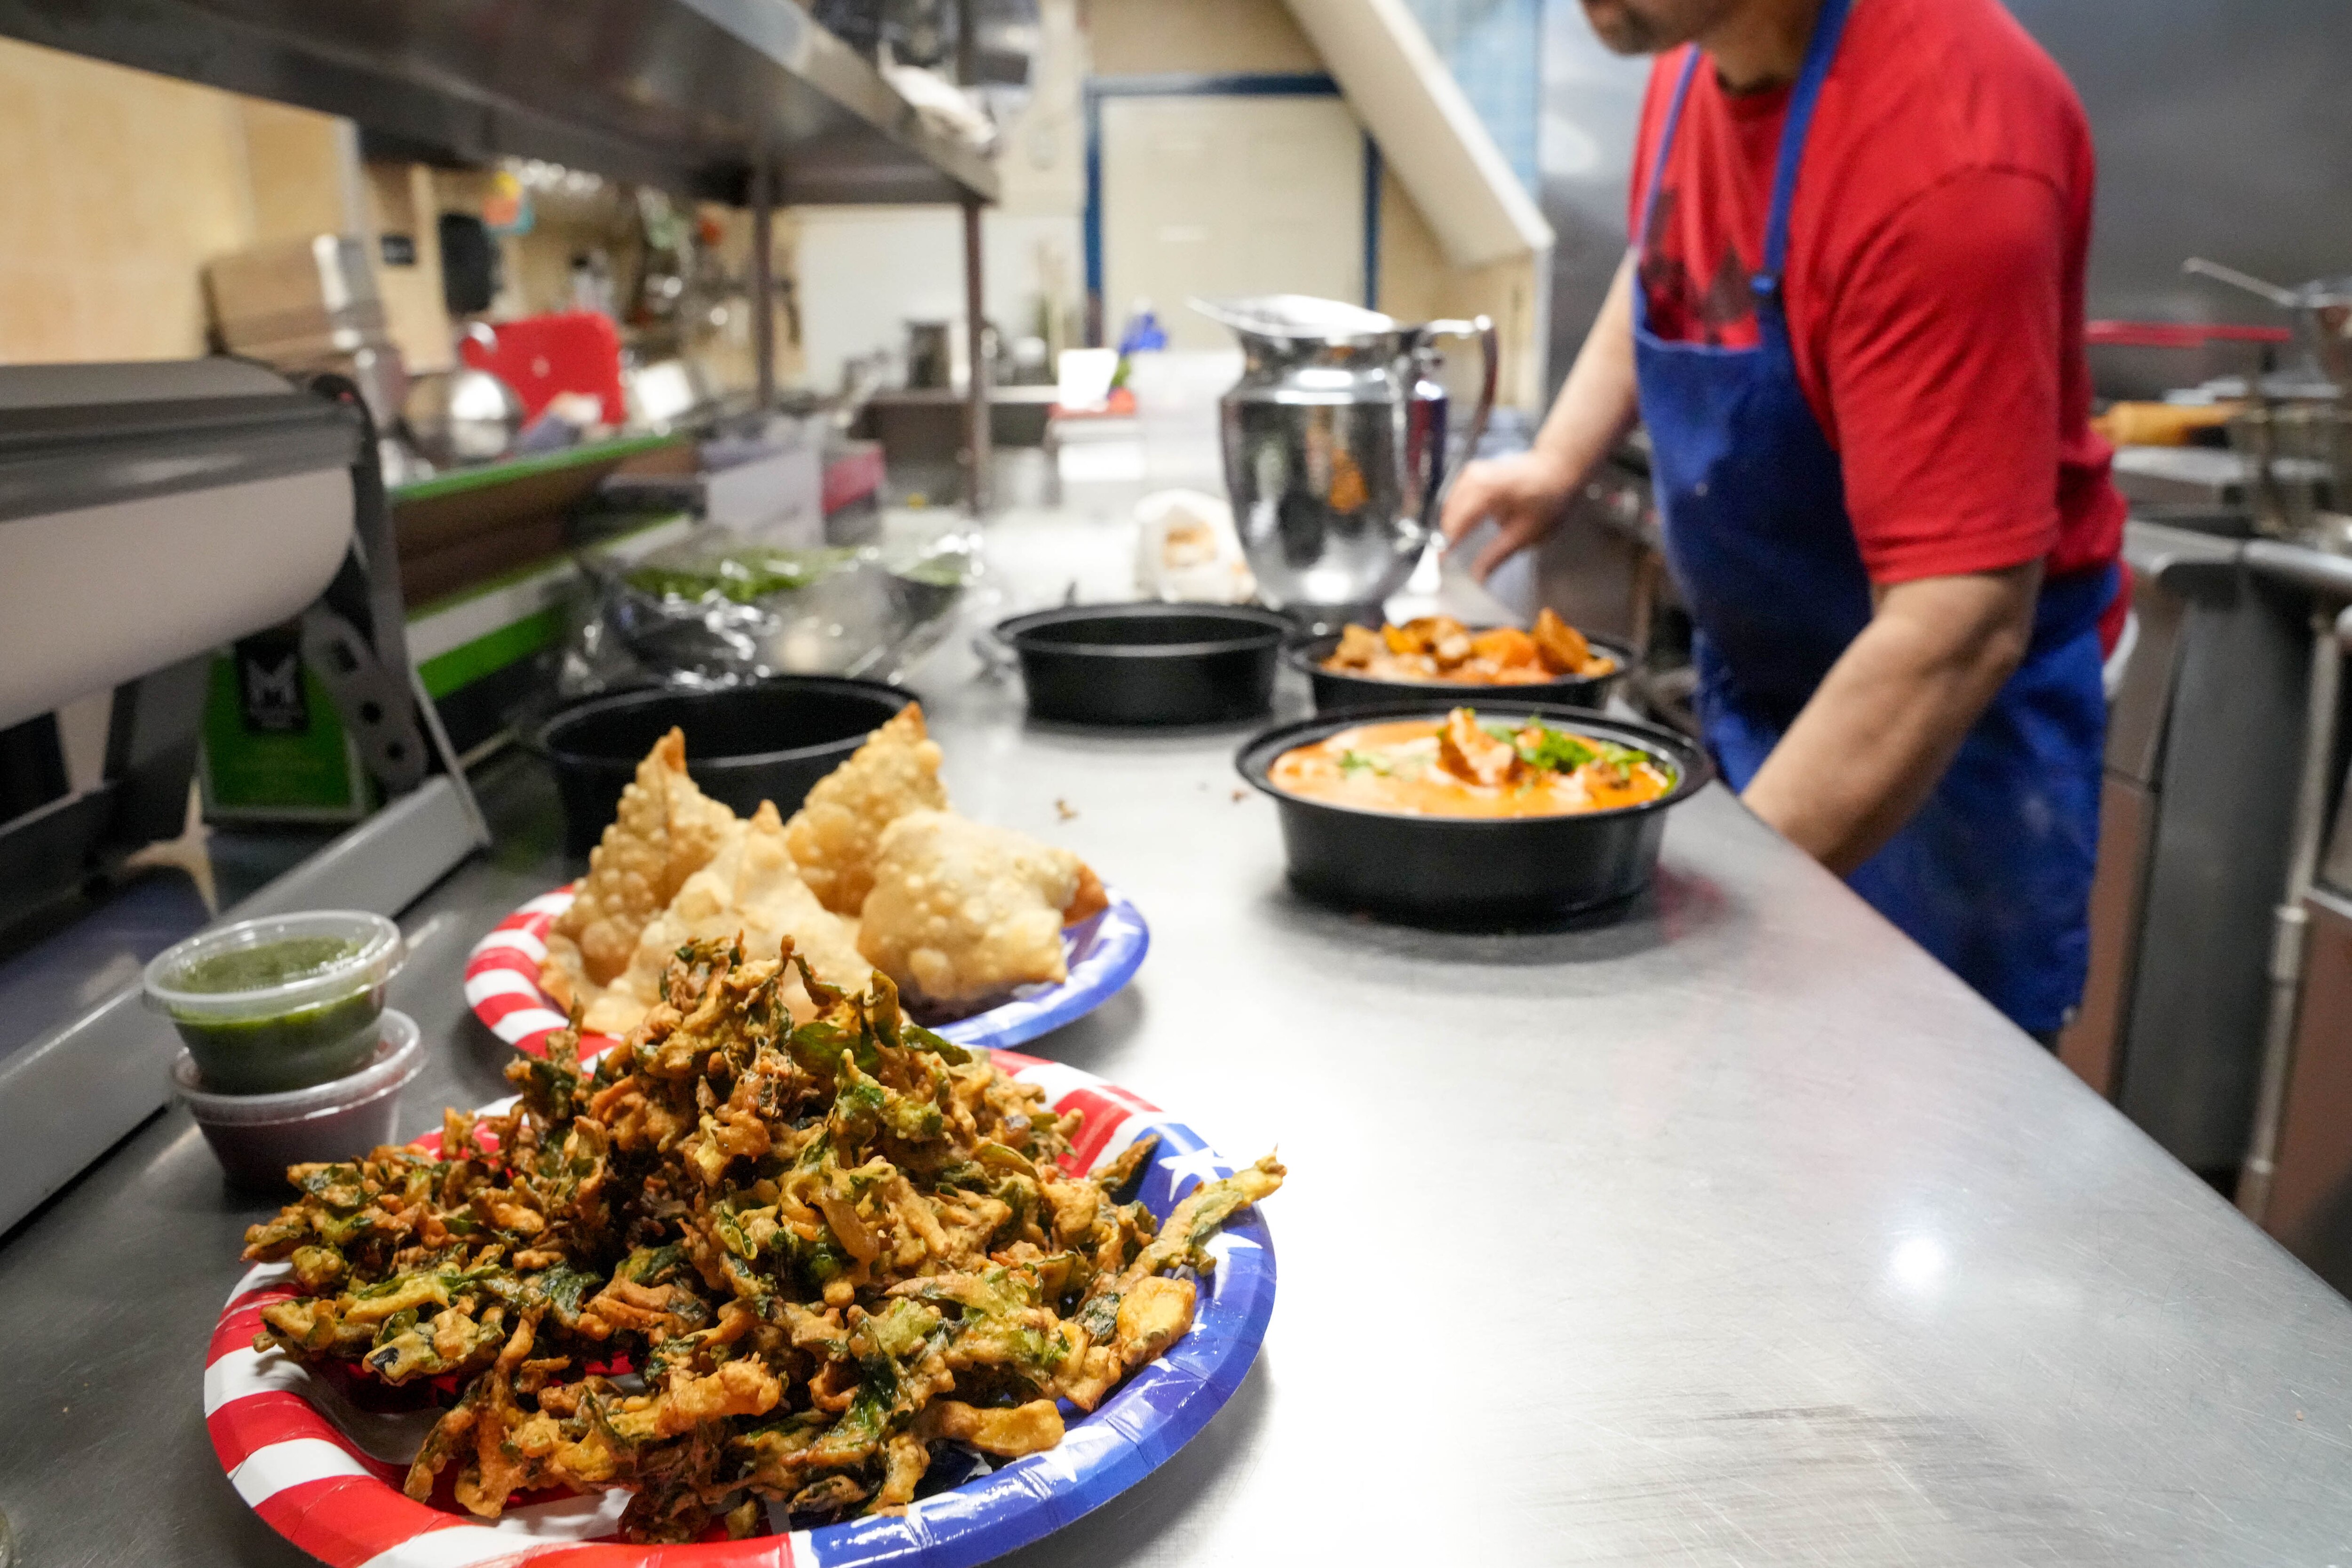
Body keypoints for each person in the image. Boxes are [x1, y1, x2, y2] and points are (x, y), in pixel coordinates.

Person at [1440, 0, 2125, 1038]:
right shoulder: (1695, 50)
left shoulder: (1950, 159)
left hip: (1938, 761)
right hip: (1766, 694)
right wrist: (1557, 459)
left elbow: (1958, 627)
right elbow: (1674, 263)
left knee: (1900, 1138)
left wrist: (1665, 930)